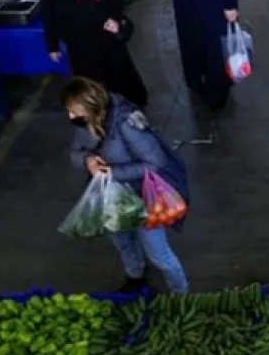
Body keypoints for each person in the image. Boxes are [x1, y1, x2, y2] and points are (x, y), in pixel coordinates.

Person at [65, 77, 191, 293]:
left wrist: (114, 172)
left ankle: (181, 292)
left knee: (158, 253)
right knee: (123, 242)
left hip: (143, 198)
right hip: (113, 197)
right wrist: (87, 160)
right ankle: (135, 276)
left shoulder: (126, 123)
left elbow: (156, 162)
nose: (71, 116)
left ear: (91, 106)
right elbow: (75, 151)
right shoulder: (86, 124)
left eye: (75, 111)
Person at [42, 0, 148, 108]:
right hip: (78, 39)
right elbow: (49, 12)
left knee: (119, 69)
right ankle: (97, 109)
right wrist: (52, 45)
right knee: (90, 77)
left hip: (105, 29)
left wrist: (115, 18)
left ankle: (131, 104)